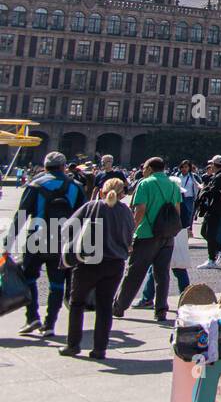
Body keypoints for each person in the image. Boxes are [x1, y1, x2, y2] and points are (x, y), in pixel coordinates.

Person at [10, 151, 85, 337]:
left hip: (36, 237)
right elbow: (84, 217)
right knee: (57, 283)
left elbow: (22, 214)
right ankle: (50, 324)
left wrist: (8, 240)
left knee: (28, 277)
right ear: (63, 167)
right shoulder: (76, 186)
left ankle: (32, 316)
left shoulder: (35, 185)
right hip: (62, 240)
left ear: (45, 167)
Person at [59, 177, 135, 359]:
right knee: (104, 306)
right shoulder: (126, 212)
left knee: (77, 303)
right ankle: (100, 349)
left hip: (88, 262)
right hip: (115, 264)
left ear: (101, 191)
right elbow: (130, 236)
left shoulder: (92, 206)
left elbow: (68, 228)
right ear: (123, 194)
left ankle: (73, 345)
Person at [111, 157, 182, 321]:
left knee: (135, 272)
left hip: (146, 234)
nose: (142, 170)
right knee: (162, 274)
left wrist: (131, 230)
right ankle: (161, 310)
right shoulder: (173, 184)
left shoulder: (145, 183)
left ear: (150, 168)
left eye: (144, 167)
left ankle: (119, 307)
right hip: (167, 235)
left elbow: (140, 210)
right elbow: (177, 210)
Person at [176, 159, 203, 232]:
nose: (184, 169)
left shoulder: (192, 176)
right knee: (179, 213)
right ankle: (179, 229)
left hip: (189, 198)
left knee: (189, 214)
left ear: (189, 168)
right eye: (182, 167)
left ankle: (188, 229)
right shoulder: (177, 175)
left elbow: (199, 185)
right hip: (179, 197)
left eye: (186, 167)